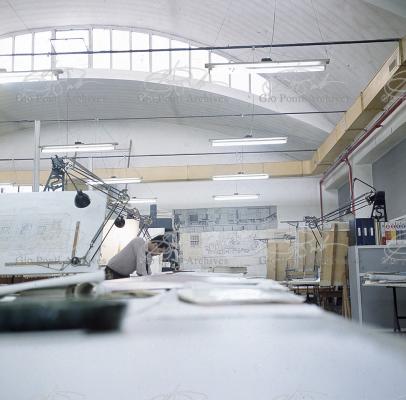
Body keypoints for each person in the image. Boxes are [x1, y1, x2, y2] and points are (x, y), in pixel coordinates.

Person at [104, 234, 170, 280]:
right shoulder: (139, 242)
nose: (159, 254)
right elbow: (141, 270)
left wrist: (152, 279)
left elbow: (147, 271)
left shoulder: (148, 255)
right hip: (112, 272)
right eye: (160, 251)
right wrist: (149, 281)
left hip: (124, 275)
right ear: (155, 245)